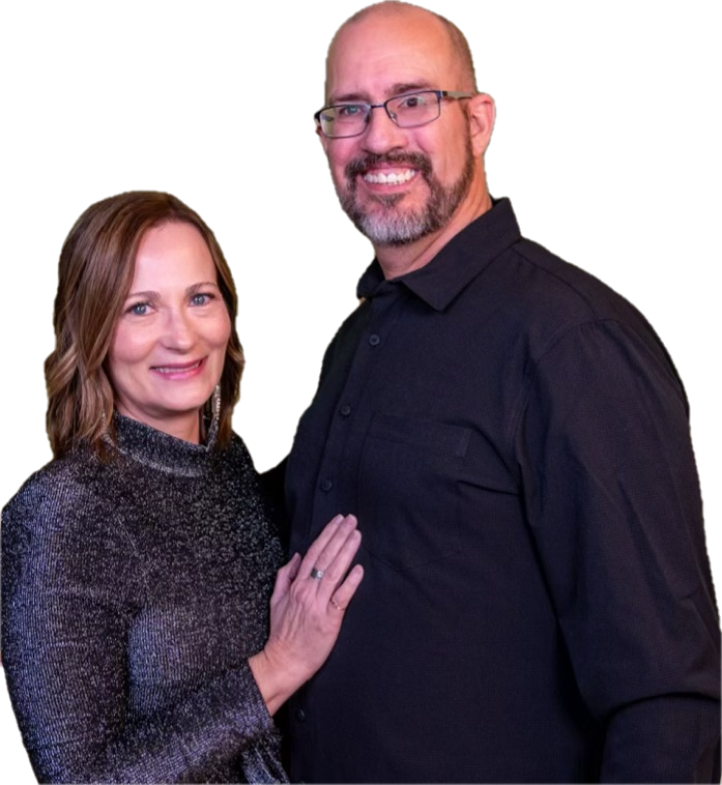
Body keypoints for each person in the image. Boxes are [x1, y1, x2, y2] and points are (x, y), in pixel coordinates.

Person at [280, 2, 721, 782]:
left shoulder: (571, 341)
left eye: (413, 101)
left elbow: (666, 699)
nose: (378, 138)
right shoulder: (357, 337)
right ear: (323, 137)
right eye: (349, 110)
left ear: (479, 121)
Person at [0, 190, 363, 784]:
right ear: (93, 330)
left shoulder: (228, 469)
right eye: (140, 308)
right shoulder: (63, 513)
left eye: (199, 298)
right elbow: (80, 780)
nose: (182, 337)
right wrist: (278, 667)